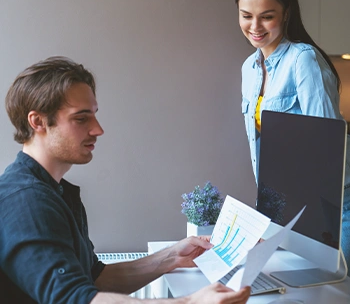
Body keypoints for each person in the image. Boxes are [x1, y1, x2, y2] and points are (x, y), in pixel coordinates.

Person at [0, 56, 250, 304]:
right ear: (38, 122)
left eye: (94, 115)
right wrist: (191, 303)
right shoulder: (26, 202)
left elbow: (95, 279)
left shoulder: (54, 191)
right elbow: (74, 300)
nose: (98, 129)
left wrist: (172, 257)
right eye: (81, 118)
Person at [234, 0, 350, 274]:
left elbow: (328, 149)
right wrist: (268, 217)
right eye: (246, 15)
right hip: (290, 207)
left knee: (333, 289)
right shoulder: (249, 68)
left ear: (286, 13)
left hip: (331, 209)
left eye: (266, 16)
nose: (255, 26)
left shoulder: (303, 60)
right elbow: (262, 153)